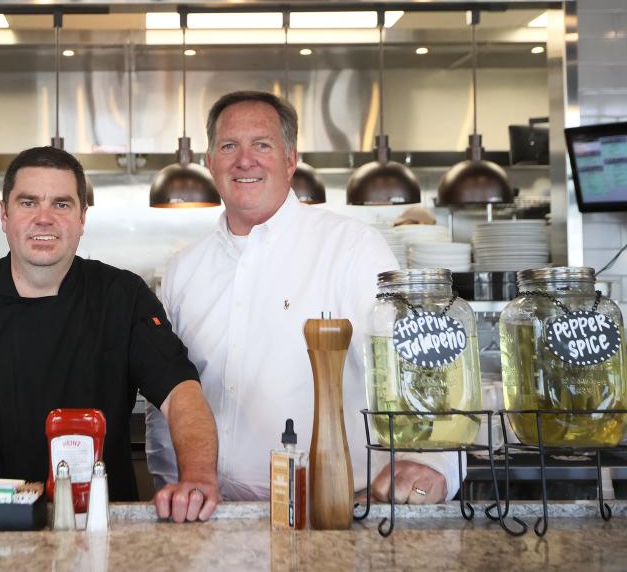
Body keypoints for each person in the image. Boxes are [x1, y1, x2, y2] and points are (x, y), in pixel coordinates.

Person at [0, 146, 220, 523]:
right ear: (4, 214)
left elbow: (182, 394)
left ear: (83, 218)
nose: (44, 219)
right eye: (28, 202)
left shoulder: (122, 297)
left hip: (95, 528)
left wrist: (197, 477)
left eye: (62, 205)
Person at [146, 91, 460, 504]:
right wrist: (169, 481)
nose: (245, 160)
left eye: (262, 144)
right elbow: (165, 395)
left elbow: (415, 364)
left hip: (334, 511)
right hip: (214, 515)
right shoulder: (184, 270)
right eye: (228, 146)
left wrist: (435, 467)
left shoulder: (351, 248)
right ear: (210, 162)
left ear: (291, 160)